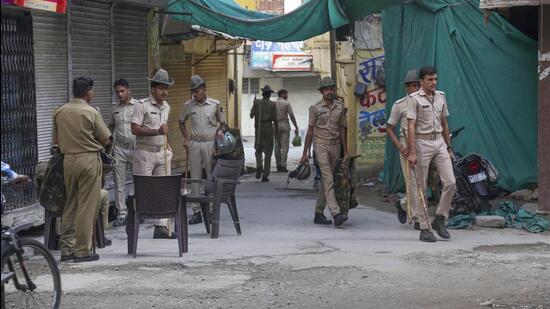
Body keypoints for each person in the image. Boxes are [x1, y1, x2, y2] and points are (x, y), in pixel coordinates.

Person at [52, 77, 111, 262]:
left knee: (70, 203)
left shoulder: (59, 112)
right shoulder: (91, 112)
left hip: (68, 161)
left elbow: (55, 141)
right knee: (87, 205)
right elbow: (106, 139)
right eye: (92, 91)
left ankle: (66, 249)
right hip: (89, 161)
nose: (92, 94)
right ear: (87, 93)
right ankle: (83, 250)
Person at [407, 66, 456, 242]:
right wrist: (412, 151)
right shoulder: (414, 99)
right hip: (421, 143)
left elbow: (444, 122)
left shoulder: (441, 96)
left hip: (439, 143)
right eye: (429, 79)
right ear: (421, 82)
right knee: (421, 188)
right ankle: (424, 228)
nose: (433, 82)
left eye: (435, 79)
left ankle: (440, 218)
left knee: (451, 182)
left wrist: (449, 147)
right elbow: (411, 126)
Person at [131, 68, 174, 239]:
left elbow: (164, 129)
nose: (165, 92)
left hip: (162, 153)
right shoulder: (141, 105)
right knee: (143, 191)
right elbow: (134, 129)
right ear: (153, 89)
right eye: (161, 88)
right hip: (145, 153)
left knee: (163, 189)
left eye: (167, 88)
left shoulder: (167, 107)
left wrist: (168, 143)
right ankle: (133, 223)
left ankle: (161, 227)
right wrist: (156, 132)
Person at [300, 76, 348, 227]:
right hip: (320, 145)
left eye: (331, 89)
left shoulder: (340, 107)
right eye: (326, 89)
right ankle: (336, 213)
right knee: (328, 178)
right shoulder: (315, 108)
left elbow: (342, 129)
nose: (329, 92)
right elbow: (310, 131)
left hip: (336, 147)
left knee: (327, 181)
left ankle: (318, 213)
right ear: (321, 92)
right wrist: (305, 152)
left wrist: (345, 151)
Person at [179, 74, 225, 225]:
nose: (194, 94)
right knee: (195, 178)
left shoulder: (214, 105)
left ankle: (211, 210)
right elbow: (181, 122)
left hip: (211, 145)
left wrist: (220, 130)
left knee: (211, 177)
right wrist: (186, 138)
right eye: (193, 91)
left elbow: (223, 123)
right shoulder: (189, 106)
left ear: (204, 89)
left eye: (197, 90)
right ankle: (196, 211)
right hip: (195, 144)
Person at [386, 69, 420, 229]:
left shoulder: (428, 101)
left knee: (423, 182)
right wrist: (400, 146)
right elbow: (389, 128)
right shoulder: (400, 105)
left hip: (424, 143)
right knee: (412, 182)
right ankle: (417, 218)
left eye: (419, 85)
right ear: (407, 87)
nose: (417, 88)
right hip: (406, 144)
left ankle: (403, 203)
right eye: (414, 85)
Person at [109, 79, 138, 227]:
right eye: (117, 92)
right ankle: (122, 214)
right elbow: (111, 127)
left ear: (129, 90)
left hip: (136, 147)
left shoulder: (139, 106)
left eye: (122, 91)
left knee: (138, 180)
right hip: (119, 149)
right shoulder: (114, 109)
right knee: (119, 183)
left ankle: (138, 211)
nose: (120, 94)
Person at [250, 85, 278, 182]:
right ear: (270, 95)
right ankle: (265, 175)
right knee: (268, 153)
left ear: (262, 94)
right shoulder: (273, 104)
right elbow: (275, 119)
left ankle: (259, 166)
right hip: (269, 128)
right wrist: (277, 131)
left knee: (258, 150)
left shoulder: (257, 102)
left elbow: (251, 115)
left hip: (259, 129)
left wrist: (254, 104)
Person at [274, 89, 299, 173]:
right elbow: (291, 115)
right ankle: (283, 165)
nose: (287, 96)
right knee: (285, 146)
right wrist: (296, 126)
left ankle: (278, 165)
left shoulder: (274, 103)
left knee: (277, 146)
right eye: (286, 94)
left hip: (276, 125)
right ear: (282, 94)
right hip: (285, 124)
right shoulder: (286, 103)